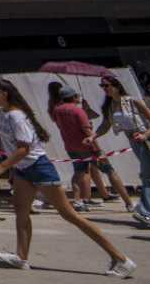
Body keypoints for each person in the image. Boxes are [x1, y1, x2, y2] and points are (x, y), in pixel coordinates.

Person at [0, 79, 133, 276]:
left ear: (5, 93)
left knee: (69, 214)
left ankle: (120, 259)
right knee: (21, 212)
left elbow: (24, 148)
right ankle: (21, 257)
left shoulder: (16, 116)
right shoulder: (3, 114)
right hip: (23, 169)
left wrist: (2, 167)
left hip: (38, 167)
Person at [97, 73, 150, 228]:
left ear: (116, 86)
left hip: (149, 141)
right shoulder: (110, 106)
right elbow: (105, 125)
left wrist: (145, 135)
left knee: (148, 177)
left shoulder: (133, 101)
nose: (104, 89)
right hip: (135, 143)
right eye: (102, 86)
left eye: (106, 85)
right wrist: (93, 136)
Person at [47, 83, 102, 211]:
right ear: (73, 96)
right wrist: (97, 148)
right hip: (84, 144)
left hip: (70, 145)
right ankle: (82, 199)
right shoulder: (77, 110)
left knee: (78, 171)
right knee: (84, 172)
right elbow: (87, 130)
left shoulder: (57, 110)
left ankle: (79, 200)